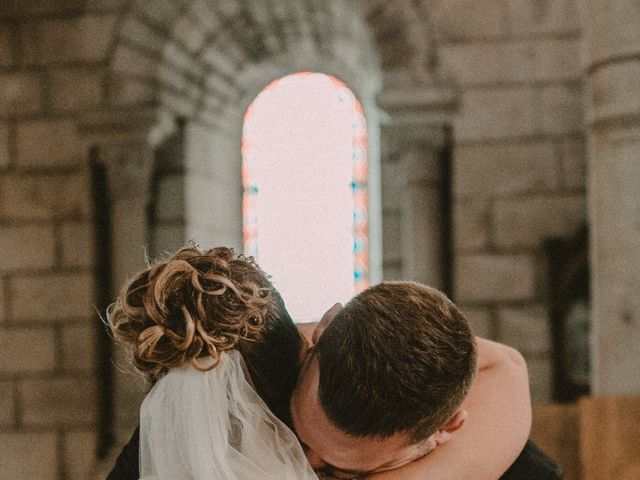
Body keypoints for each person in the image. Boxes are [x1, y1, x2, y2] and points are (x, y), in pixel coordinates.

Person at [107, 246, 561, 479]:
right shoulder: (214, 397)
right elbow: (506, 364)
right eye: (301, 432)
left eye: (340, 468)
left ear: (445, 431)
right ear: (317, 334)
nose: (305, 461)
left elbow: (504, 365)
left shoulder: (515, 465)